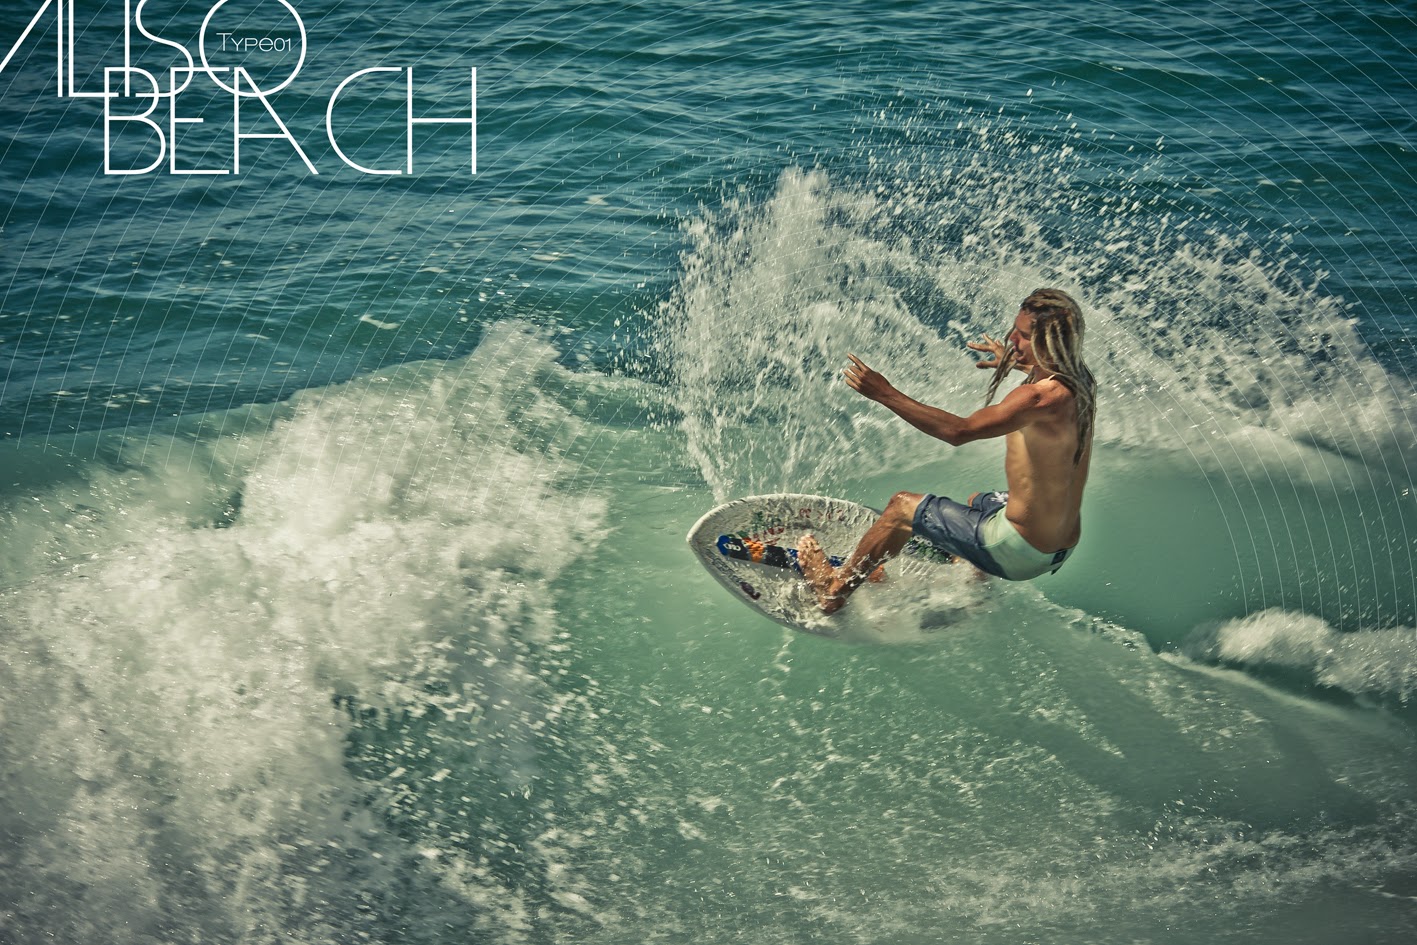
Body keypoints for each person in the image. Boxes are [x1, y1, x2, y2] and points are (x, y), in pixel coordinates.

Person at [798, 288, 1095, 614]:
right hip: (1059, 546)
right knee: (979, 502)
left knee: (900, 508)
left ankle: (834, 591)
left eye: (1023, 336)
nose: (1011, 339)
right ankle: (972, 579)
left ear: (1050, 343)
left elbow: (958, 431)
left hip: (1020, 552)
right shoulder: (1080, 382)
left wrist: (885, 393)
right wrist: (1019, 362)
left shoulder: (1036, 399)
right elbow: (1048, 390)